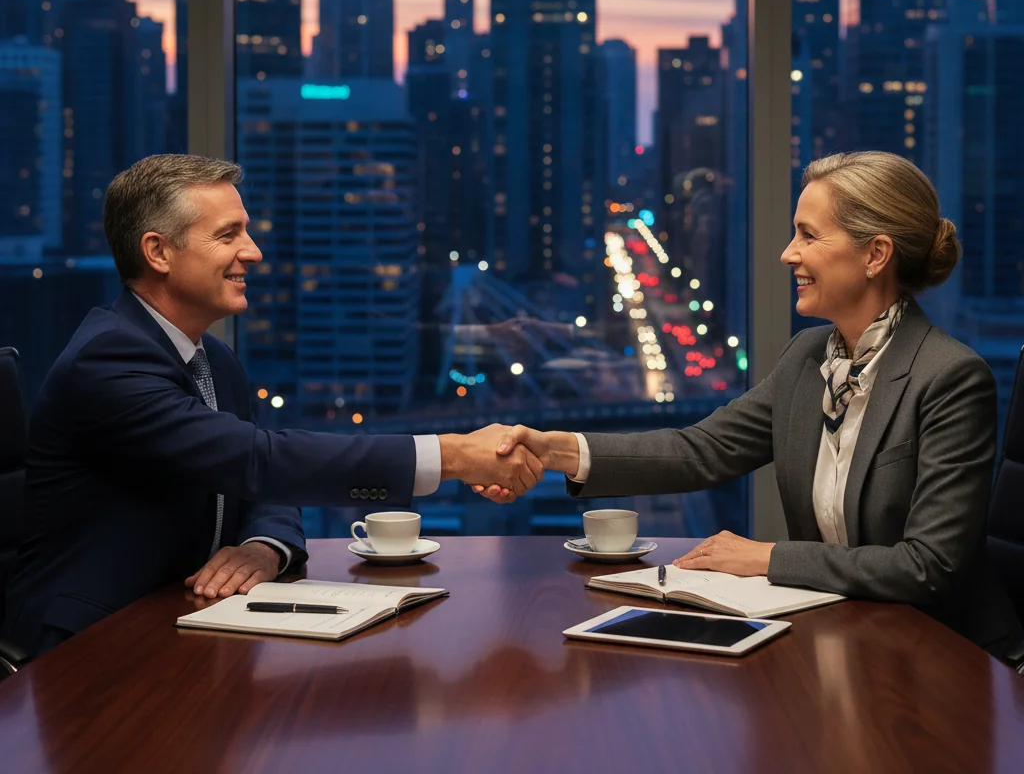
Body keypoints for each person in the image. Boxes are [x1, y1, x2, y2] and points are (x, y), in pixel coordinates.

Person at [487, 152, 1023, 659]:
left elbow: (928, 566)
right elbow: (701, 450)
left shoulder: (950, 378)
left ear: (875, 255)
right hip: (845, 636)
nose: (788, 253)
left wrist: (765, 557)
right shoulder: (807, 358)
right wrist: (555, 450)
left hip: (943, 660)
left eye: (809, 236)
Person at [1, 155, 539, 656]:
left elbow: (263, 482)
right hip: (86, 647)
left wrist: (265, 546)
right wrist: (451, 454)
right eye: (228, 234)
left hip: (185, 622)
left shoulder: (212, 357)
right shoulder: (109, 360)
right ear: (158, 252)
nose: (253, 251)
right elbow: (261, 460)